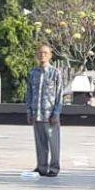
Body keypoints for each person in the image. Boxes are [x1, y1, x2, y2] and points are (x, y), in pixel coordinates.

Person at [26, 44, 63, 177]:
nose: (42, 55)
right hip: (37, 114)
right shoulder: (33, 73)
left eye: (45, 53)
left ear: (50, 55)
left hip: (50, 115)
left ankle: (54, 168)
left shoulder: (55, 73)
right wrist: (29, 112)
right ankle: (41, 167)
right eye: (40, 53)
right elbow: (29, 93)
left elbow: (59, 94)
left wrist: (56, 113)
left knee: (54, 143)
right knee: (40, 143)